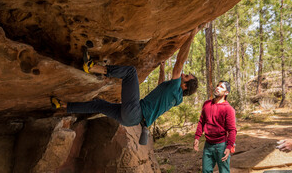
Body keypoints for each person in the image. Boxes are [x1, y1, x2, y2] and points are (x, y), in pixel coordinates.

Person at [51, 28, 199, 144]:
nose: (182, 74)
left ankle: (92, 67)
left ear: (185, 86)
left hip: (135, 113)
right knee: (98, 105)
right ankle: (62, 105)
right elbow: (161, 85)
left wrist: (192, 35)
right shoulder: (175, 97)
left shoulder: (176, 88)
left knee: (130, 72)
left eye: (185, 77)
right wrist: (161, 69)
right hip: (131, 120)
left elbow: (179, 62)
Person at [193, 81, 237, 173]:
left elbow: (232, 130)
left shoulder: (228, 109)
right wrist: (197, 137)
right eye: (218, 85)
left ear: (226, 92)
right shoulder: (207, 104)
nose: (218, 88)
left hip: (222, 145)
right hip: (208, 144)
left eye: (222, 87)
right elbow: (202, 121)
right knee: (206, 171)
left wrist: (229, 147)